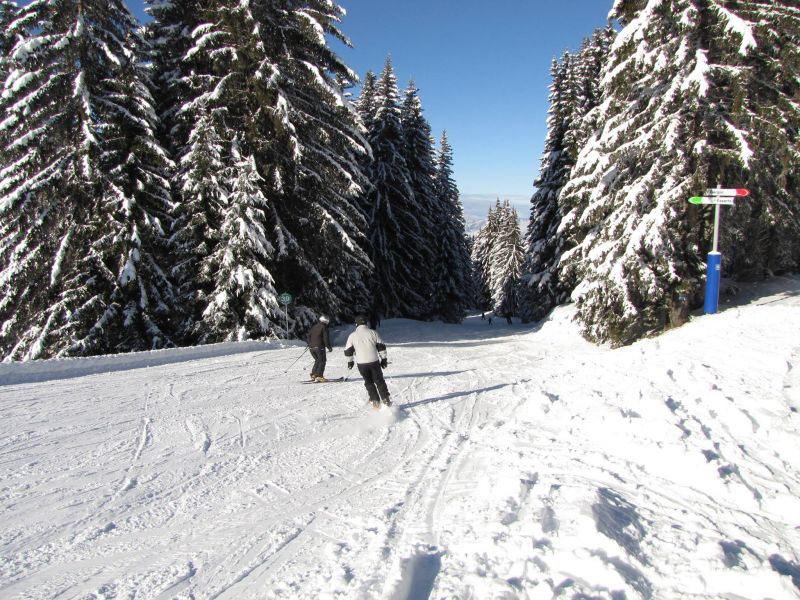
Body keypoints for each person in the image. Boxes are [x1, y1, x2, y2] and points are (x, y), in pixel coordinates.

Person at [344, 314, 391, 408]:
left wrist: (350, 362)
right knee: (379, 380)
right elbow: (381, 347)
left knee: (368, 382)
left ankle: (375, 401)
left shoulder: (352, 336)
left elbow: (348, 351)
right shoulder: (373, 333)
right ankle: (385, 399)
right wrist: (384, 359)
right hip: (374, 361)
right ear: (366, 322)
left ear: (356, 324)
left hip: (361, 364)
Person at [307, 315, 332, 382]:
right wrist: (329, 347)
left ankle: (314, 374)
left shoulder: (314, 327)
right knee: (322, 361)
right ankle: (319, 376)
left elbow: (309, 336)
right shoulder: (324, 327)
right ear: (326, 321)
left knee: (317, 360)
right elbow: (325, 338)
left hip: (311, 348)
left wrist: (310, 344)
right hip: (319, 347)